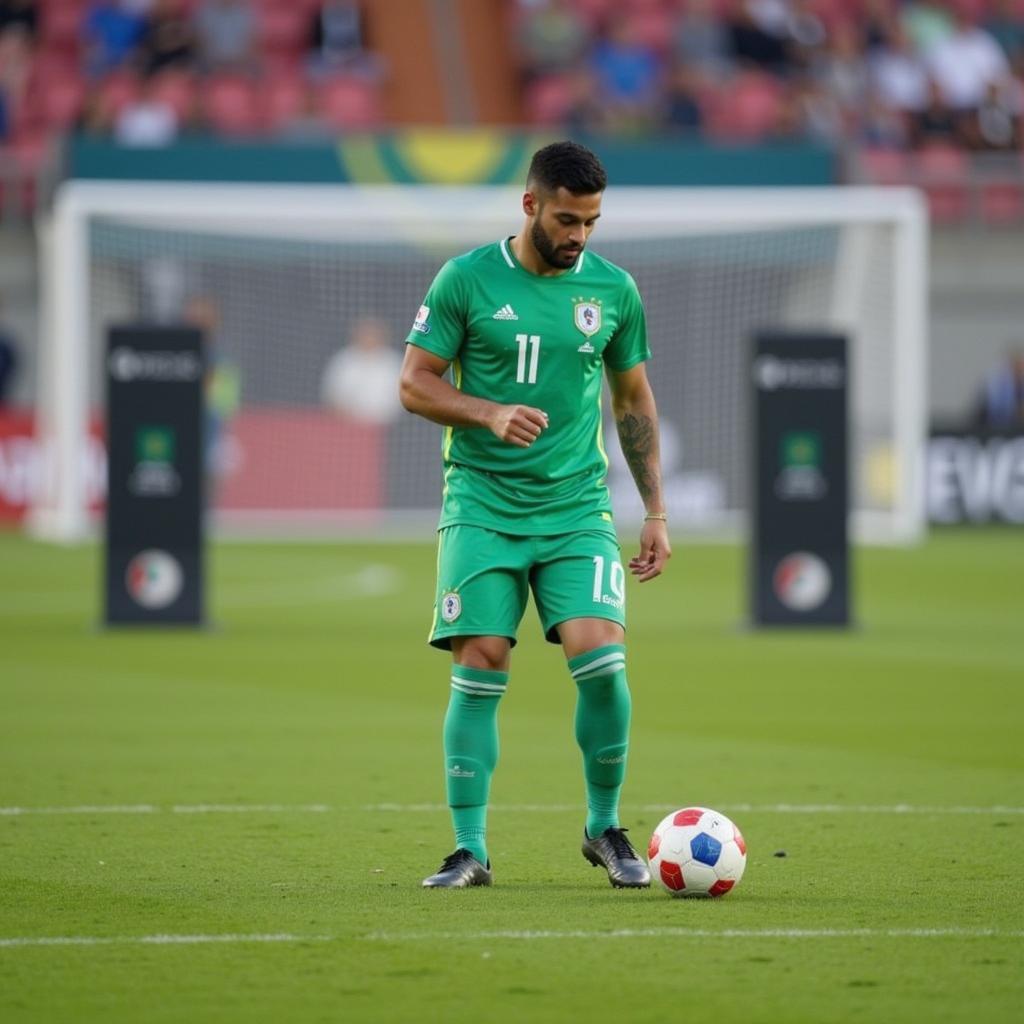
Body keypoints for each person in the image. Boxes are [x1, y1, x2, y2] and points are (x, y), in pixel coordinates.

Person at [398, 141, 671, 890]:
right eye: (567, 218)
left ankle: (604, 826)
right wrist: (485, 412)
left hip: (577, 505)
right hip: (482, 501)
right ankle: (469, 849)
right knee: (482, 656)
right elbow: (415, 384)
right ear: (529, 205)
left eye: (591, 221)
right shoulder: (466, 279)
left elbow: (632, 400)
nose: (579, 234)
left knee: (602, 660)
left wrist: (655, 510)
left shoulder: (614, 291)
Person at [320, 315, 402, 425]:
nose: (369, 337)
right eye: (365, 333)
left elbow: (401, 400)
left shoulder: (394, 363)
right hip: (346, 426)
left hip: (386, 428)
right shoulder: (343, 360)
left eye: (373, 334)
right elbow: (332, 394)